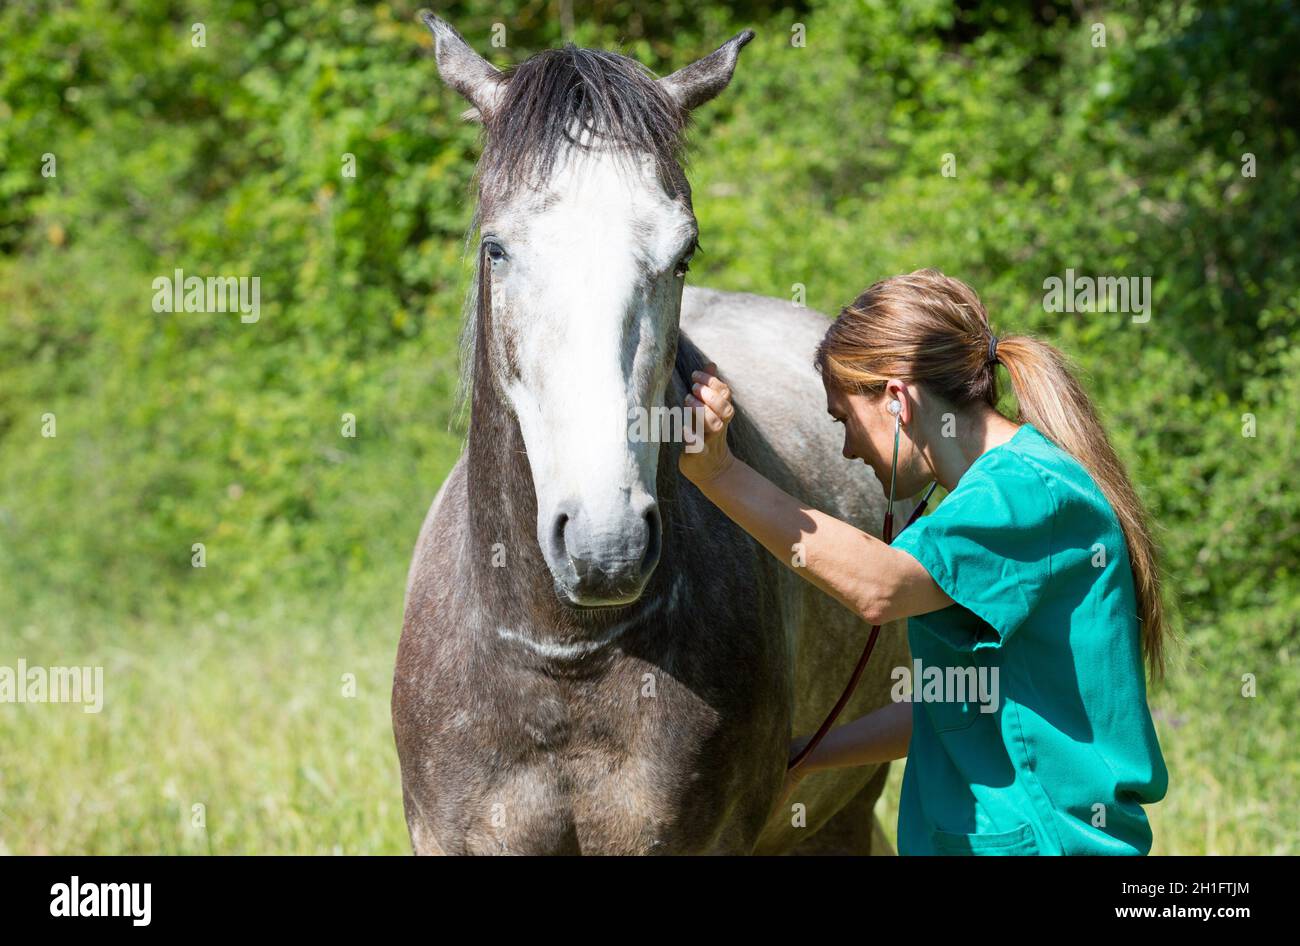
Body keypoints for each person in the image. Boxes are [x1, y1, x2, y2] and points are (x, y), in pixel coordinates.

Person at [679, 268, 1170, 855]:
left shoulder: (1023, 495)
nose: (847, 448)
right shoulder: (990, 498)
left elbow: (880, 589)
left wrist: (721, 474)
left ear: (896, 398)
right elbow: (955, 703)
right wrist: (807, 756)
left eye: (844, 419)